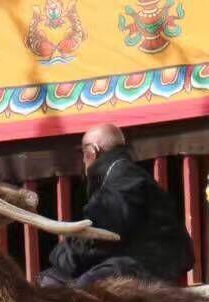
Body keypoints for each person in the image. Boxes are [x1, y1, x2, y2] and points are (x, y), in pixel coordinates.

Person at [40, 123, 195, 288]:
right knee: (52, 279)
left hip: (150, 267)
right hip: (139, 262)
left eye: (83, 154)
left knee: (79, 290)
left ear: (92, 151)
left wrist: (60, 257)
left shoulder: (123, 178)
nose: (83, 161)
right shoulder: (123, 174)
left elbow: (99, 234)